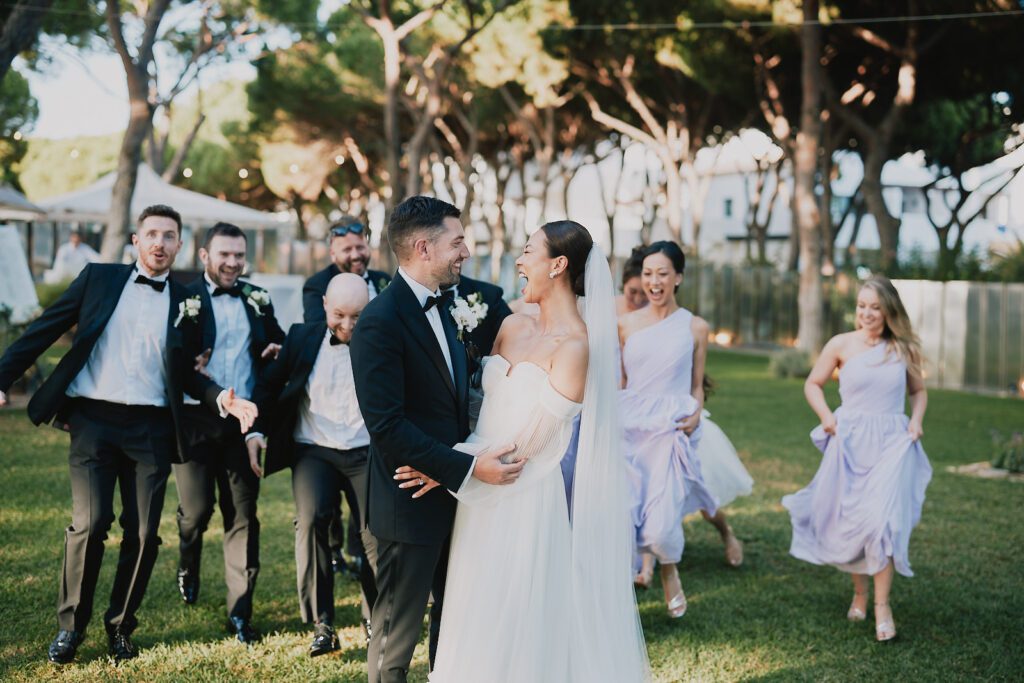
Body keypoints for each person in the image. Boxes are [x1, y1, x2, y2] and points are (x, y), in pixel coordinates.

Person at [0, 204, 258, 664]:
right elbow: (44, 330)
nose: (160, 243)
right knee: (91, 524)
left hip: (152, 427)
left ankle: (121, 627)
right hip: (93, 421)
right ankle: (70, 628)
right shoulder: (98, 278)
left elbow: (187, 374)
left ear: (180, 246)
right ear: (136, 242)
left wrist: (222, 397)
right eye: (152, 234)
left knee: (142, 533)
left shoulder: (186, 303)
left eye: (169, 235)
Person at [414, 220, 649, 683]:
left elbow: (535, 442)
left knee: (514, 618)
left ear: (558, 265)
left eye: (527, 252)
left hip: (521, 497)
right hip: (477, 493)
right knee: (472, 605)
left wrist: (446, 468)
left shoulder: (577, 346)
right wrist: (452, 462)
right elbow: (477, 404)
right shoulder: (510, 325)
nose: (519, 262)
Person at [350, 196, 523, 683]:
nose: (465, 251)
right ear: (424, 248)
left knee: (453, 628)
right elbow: (387, 426)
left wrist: (457, 467)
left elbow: (454, 402)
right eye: (458, 241)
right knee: (395, 638)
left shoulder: (449, 307)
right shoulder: (379, 323)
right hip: (409, 499)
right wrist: (466, 468)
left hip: (455, 496)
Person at [783, 275, 932, 643]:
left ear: (889, 311)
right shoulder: (840, 344)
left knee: (883, 523)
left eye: (875, 307)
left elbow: (919, 392)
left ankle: (882, 605)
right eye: (862, 306)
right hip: (849, 441)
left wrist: (916, 420)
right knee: (856, 521)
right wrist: (826, 417)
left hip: (890, 445)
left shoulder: (902, 349)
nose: (866, 313)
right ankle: (860, 593)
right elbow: (812, 384)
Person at [246, 273, 378, 656]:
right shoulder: (302, 337)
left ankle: (375, 617)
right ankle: (323, 624)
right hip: (313, 448)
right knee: (311, 522)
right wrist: (255, 432)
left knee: (374, 536)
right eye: (340, 315)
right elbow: (269, 385)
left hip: (365, 451)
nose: (348, 325)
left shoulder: (381, 341)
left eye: (358, 316)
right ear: (324, 306)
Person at [173, 222, 285, 644]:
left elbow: (274, 351)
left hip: (245, 424)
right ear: (204, 256)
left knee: (242, 517)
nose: (233, 263)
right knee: (196, 513)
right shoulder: (184, 300)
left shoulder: (258, 299)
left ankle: (241, 612)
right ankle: (188, 557)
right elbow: (174, 364)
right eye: (224, 254)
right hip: (197, 418)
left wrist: (275, 351)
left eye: (239, 255)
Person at [618, 240, 719, 618]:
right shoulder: (624, 325)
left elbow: (696, 383)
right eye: (647, 274)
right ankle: (621, 586)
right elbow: (622, 381)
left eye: (662, 274)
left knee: (661, 520)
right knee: (626, 512)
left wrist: (696, 413)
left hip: (671, 430)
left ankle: (668, 568)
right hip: (628, 428)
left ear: (678, 277)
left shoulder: (695, 326)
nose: (654, 282)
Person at [302, 215, 390, 578]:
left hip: (366, 401)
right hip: (328, 399)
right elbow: (318, 334)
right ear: (332, 250)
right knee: (322, 505)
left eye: (360, 247)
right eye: (347, 249)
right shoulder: (316, 286)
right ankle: (335, 548)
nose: (356, 254)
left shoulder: (385, 282)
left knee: (367, 515)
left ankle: (357, 553)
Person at [615, 245, 648, 316]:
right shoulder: (609, 307)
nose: (638, 300)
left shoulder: (660, 314)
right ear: (624, 283)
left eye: (645, 293)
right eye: (632, 292)